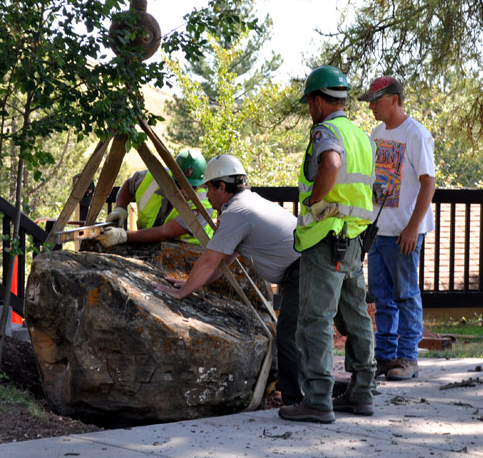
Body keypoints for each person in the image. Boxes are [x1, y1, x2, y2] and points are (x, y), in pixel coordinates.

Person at [155, 154, 303, 406]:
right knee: (300, 333)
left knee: (290, 336)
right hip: (303, 267)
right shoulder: (247, 203)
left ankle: (297, 402)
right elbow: (223, 260)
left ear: (222, 188)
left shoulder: (236, 212)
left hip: (302, 271)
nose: (207, 196)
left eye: (209, 189)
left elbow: (211, 260)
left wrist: (181, 294)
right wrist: (191, 283)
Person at [278, 65, 376, 425]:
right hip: (354, 241)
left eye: (309, 102)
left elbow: (331, 164)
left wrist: (315, 203)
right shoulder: (362, 136)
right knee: (356, 316)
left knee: (315, 319)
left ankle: (318, 399)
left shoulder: (326, 132)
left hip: (326, 239)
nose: (309, 109)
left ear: (319, 101)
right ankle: (363, 392)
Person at [358, 77, 436, 381]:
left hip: (405, 230)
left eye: (375, 101)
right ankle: (386, 357)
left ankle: (408, 358)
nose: (371, 106)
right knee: (381, 296)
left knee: (405, 294)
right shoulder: (377, 134)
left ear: (393, 99)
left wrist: (412, 227)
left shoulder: (416, 134)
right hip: (380, 230)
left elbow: (428, 183)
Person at [96, 149, 215, 247]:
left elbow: (165, 232)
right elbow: (129, 185)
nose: (184, 191)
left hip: (192, 253)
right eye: (179, 184)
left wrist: (123, 236)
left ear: (200, 184)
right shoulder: (155, 177)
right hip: (149, 245)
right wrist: (120, 208)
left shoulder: (204, 204)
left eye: (191, 187)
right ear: (172, 177)